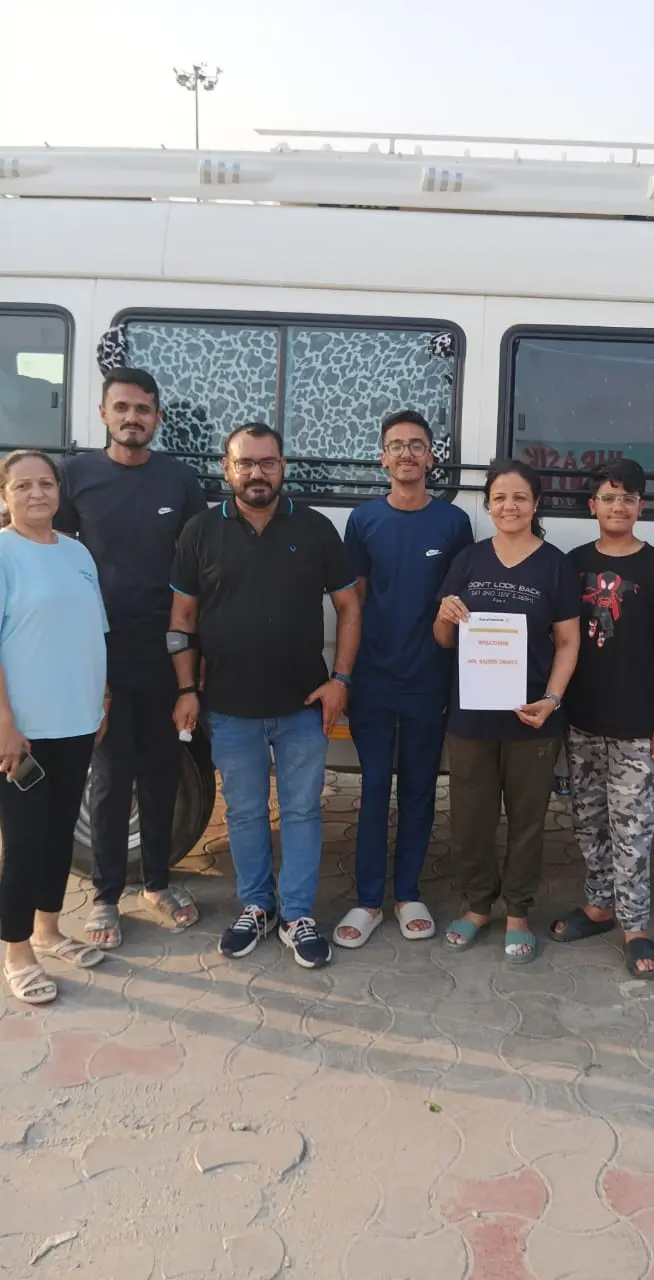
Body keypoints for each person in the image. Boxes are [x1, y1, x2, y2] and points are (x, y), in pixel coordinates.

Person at [169, 424, 361, 969]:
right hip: (228, 707)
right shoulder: (200, 531)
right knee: (247, 813)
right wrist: (186, 687)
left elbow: (350, 608)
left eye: (268, 462)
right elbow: (181, 619)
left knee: (302, 812)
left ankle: (298, 913)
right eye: (245, 463)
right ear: (227, 469)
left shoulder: (318, 528)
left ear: (283, 467)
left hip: (303, 705)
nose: (257, 473)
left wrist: (340, 680)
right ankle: (257, 907)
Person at [56, 368, 208, 949]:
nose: (132, 418)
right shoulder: (76, 476)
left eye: (143, 409)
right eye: (122, 407)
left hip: (166, 651)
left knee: (164, 769)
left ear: (157, 419)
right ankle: (104, 897)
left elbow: (196, 571)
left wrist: (195, 669)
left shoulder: (179, 480)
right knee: (111, 774)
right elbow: (57, 559)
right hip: (100, 652)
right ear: (103, 414)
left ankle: (159, 884)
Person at [334, 410, 473, 950]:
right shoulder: (363, 520)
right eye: (397, 446)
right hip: (372, 678)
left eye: (417, 445)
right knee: (372, 789)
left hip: (428, 679)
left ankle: (408, 892)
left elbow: (459, 604)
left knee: (418, 789)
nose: (408, 454)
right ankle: (368, 900)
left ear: (431, 456)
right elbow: (353, 603)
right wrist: (346, 673)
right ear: (383, 458)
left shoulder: (453, 523)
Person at [434, 460, 580, 963]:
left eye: (520, 497)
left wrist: (552, 699)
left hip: (532, 719)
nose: (509, 507)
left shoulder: (556, 565)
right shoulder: (469, 560)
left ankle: (518, 910)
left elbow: (567, 642)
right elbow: (442, 638)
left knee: (527, 820)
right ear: (488, 504)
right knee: (470, 818)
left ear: (536, 504)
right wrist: (445, 614)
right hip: (472, 717)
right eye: (499, 498)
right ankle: (477, 905)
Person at [550, 459, 654, 979]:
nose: (618, 506)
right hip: (582, 719)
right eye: (608, 497)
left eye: (628, 498)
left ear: (641, 506)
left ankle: (635, 926)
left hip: (637, 724)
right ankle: (599, 906)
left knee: (633, 828)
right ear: (592, 506)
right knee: (589, 822)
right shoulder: (572, 563)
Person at [0, 451, 110, 1004]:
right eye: (23, 485)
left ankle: (48, 929)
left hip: (77, 722)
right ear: (5, 496)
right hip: (25, 731)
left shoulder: (77, 553)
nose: (37, 493)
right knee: (23, 842)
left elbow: (94, 629)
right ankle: (15, 951)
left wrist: (102, 696)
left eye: (45, 483)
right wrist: (4, 724)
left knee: (61, 831)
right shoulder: (2, 553)